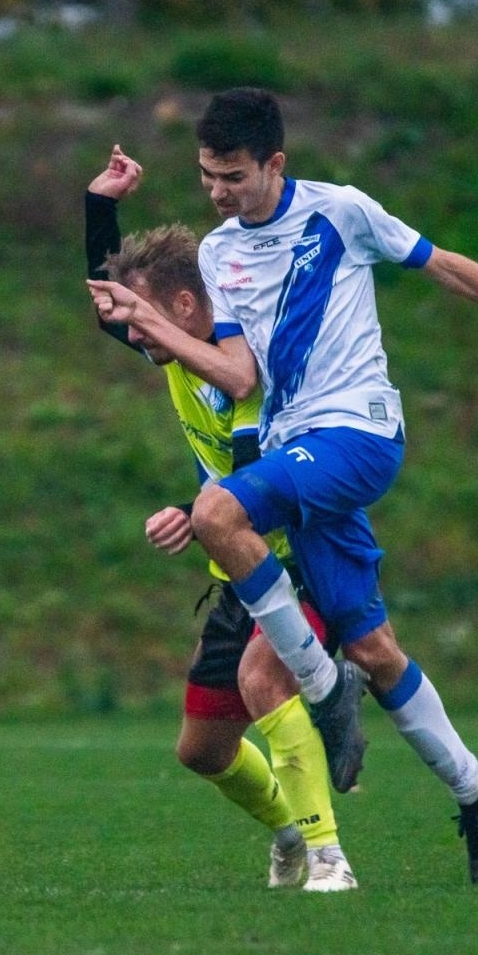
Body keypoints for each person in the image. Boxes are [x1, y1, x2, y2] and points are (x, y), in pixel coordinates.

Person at [89, 88, 478, 884]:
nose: (218, 190)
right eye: (208, 175)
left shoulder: (340, 212)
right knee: (379, 649)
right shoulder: (217, 254)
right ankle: (476, 785)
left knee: (216, 511)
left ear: (275, 163)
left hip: (357, 431)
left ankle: (321, 685)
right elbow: (238, 371)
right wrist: (145, 305)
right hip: (296, 452)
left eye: (234, 175)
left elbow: (446, 265)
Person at [86, 145, 357, 891]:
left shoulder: (252, 362)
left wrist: (185, 507)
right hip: (234, 569)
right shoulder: (171, 350)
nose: (132, 336)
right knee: (202, 750)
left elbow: (251, 472)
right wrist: (97, 205)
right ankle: (288, 833)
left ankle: (330, 856)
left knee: (263, 679)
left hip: (297, 556)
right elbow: (112, 305)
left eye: (143, 319)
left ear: (180, 307)